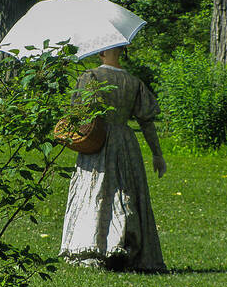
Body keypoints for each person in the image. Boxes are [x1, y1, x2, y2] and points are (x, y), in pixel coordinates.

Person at [59, 46, 167, 272]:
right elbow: (146, 121)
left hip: (99, 139)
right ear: (122, 52)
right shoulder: (134, 82)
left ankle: (94, 246)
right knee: (125, 189)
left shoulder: (91, 77)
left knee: (97, 188)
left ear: (102, 53)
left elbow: (79, 112)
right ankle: (126, 243)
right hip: (126, 141)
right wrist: (157, 153)